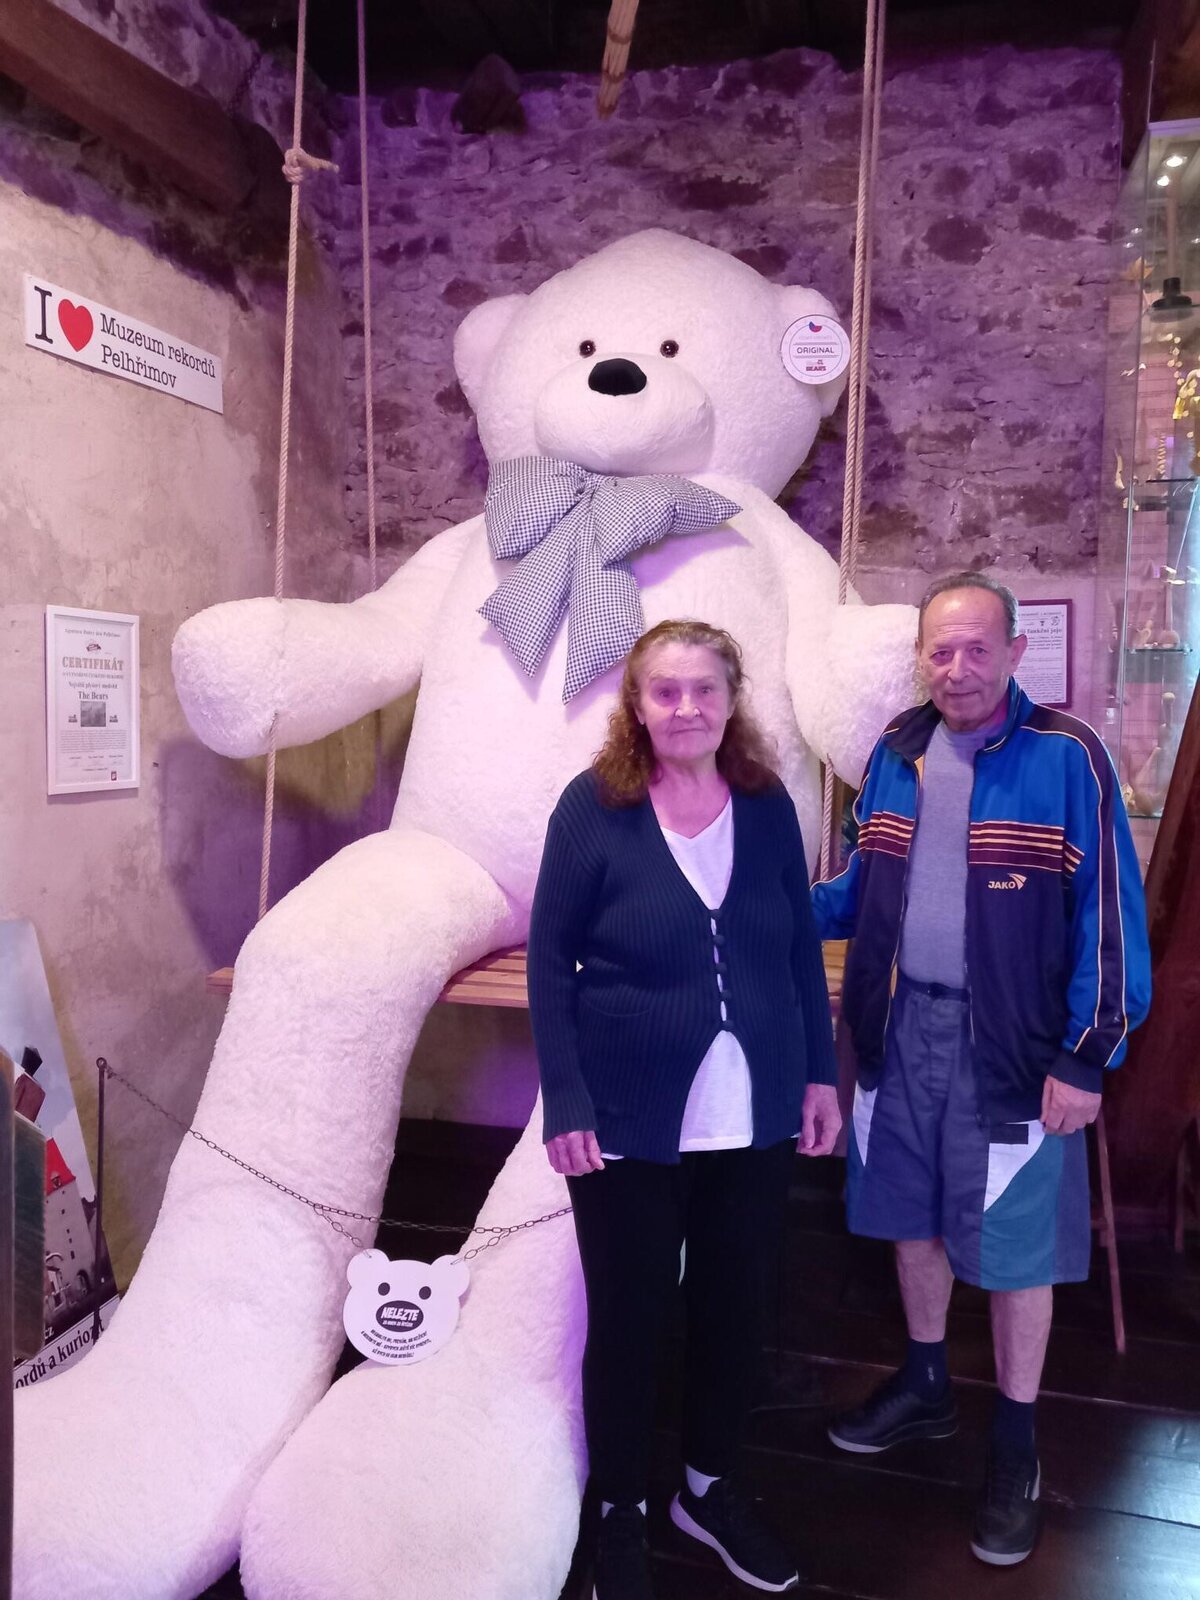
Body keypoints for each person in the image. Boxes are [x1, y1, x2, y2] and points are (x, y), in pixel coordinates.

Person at [813, 572, 1151, 1567]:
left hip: (1011, 1046)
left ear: (1013, 653)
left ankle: (1016, 1443)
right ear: (922, 657)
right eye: (940, 649)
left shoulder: (1067, 756)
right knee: (908, 1215)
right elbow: (858, 885)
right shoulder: (897, 750)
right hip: (894, 1027)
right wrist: (760, 902)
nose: (956, 667)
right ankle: (925, 1383)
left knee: (1013, 1247)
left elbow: (1110, 918)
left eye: (976, 648)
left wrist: (1086, 1056)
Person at [528, 618, 842, 1599]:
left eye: (705, 689)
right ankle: (620, 1506)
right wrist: (565, 1096)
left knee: (735, 1307)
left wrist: (819, 1075)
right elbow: (549, 960)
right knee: (628, 1317)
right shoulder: (593, 806)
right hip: (625, 1112)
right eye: (664, 690)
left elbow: (797, 952)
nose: (686, 707)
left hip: (755, 1112)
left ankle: (707, 1488)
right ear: (636, 702)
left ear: (732, 698)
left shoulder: (768, 803)